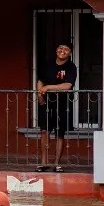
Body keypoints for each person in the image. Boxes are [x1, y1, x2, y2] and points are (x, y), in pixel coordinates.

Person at [36, 42, 77, 172]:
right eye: (60, 48)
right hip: (46, 103)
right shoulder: (48, 64)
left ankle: (56, 164)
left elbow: (67, 86)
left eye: (66, 49)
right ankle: (43, 163)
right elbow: (40, 81)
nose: (62, 51)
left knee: (60, 133)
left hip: (63, 104)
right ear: (56, 50)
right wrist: (40, 95)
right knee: (44, 131)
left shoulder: (71, 67)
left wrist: (48, 87)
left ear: (70, 53)